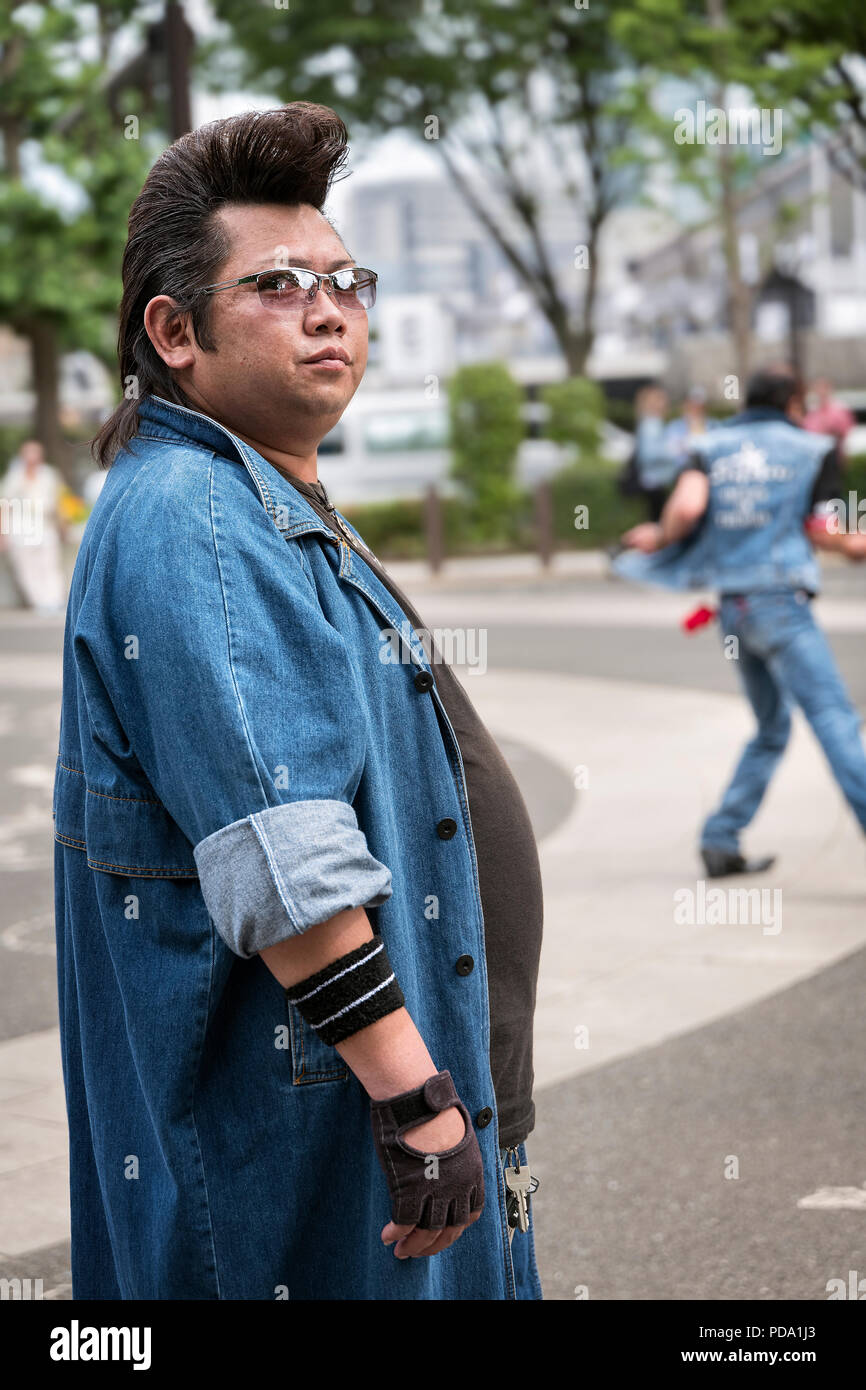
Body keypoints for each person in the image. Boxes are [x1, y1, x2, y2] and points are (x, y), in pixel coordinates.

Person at [53, 103, 544, 1301]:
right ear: (174, 329)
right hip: (313, 1132)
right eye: (275, 283)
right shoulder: (195, 516)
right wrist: (415, 1097)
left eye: (345, 279)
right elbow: (283, 849)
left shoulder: (258, 489)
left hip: (373, 1095)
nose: (328, 308)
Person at [615, 365, 866, 878]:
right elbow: (822, 528)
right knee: (836, 722)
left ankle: (720, 838)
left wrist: (660, 538)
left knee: (772, 726)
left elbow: (686, 508)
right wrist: (853, 543)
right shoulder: (809, 448)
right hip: (782, 603)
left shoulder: (712, 445)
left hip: (734, 608)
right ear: (793, 403)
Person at [0, 439, 67, 614]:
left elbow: (59, 501)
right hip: (21, 529)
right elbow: (5, 505)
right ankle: (40, 602)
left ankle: (55, 600)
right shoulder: (14, 477)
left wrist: (63, 525)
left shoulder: (49, 474)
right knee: (27, 567)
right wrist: (3, 533)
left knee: (50, 564)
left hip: (46, 526)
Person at [804, 376, 855, 458]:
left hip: (833, 454)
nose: (820, 391)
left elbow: (844, 432)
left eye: (823, 387)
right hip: (815, 454)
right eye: (818, 388)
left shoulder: (839, 409)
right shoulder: (812, 411)